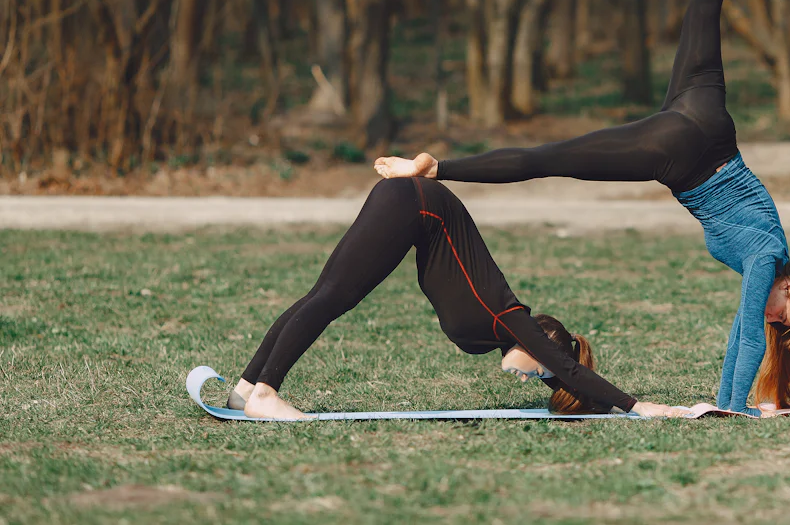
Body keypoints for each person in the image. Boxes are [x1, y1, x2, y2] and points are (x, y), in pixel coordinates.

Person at [373, 0, 790, 414]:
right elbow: (746, 333)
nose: (772, 317)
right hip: (687, 156)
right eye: (783, 313)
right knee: (549, 158)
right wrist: (733, 407)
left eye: (779, 321)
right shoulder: (768, 257)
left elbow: (747, 332)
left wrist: (731, 400)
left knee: (705, 3)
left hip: (709, 131)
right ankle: (435, 168)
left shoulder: (769, 257)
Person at [229, 177, 683, 420]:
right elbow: (569, 369)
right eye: (542, 367)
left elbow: (558, 372)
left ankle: (246, 388)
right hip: (414, 204)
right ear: (542, 341)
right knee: (328, 298)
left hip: (413, 209)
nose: (534, 377)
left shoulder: (496, 335)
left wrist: (582, 396)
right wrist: (639, 406)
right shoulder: (509, 316)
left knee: (323, 296)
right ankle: (265, 392)